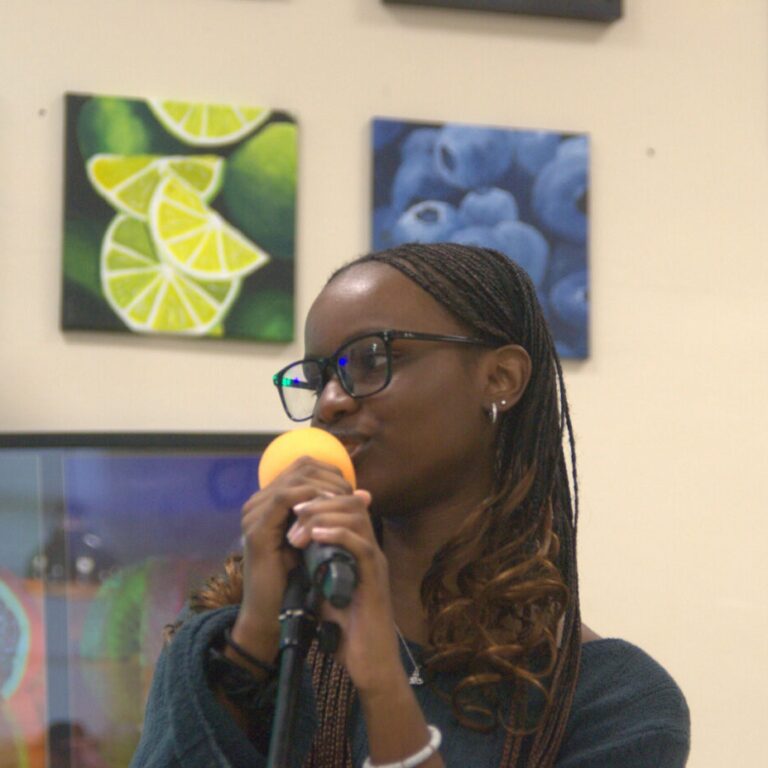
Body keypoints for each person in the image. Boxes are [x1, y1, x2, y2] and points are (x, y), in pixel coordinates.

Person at [130, 243, 690, 768]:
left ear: (500, 377)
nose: (330, 402)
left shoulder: (613, 701)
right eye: (319, 377)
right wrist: (253, 639)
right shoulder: (223, 643)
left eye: (371, 359)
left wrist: (381, 679)